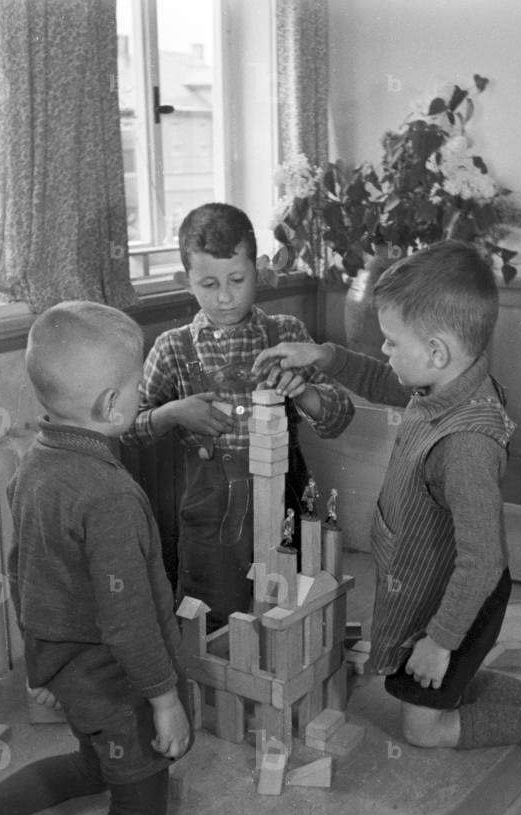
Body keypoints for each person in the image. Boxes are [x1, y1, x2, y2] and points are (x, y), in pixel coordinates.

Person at [253, 240, 521, 805]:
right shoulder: (445, 380)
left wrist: (442, 641)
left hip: (458, 595)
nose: (384, 350)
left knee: (422, 728)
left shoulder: (466, 444)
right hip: (430, 581)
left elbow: (485, 560)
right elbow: (382, 380)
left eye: (392, 342)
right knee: (445, 687)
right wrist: (323, 355)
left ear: (438, 352)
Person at [0, 301, 192, 815]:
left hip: (66, 666)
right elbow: (128, 619)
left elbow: (19, 557)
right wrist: (163, 698)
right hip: (111, 678)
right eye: (135, 385)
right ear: (112, 402)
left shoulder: (39, 457)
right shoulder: (111, 495)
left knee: (91, 760)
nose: (141, 395)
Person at [121, 202, 354, 630]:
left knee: (292, 604)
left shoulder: (285, 333)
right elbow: (128, 430)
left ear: (258, 272)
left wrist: (303, 392)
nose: (225, 296)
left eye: (237, 280)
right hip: (210, 513)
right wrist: (173, 412)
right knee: (210, 614)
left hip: (286, 500)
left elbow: (340, 415)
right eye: (209, 283)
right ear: (185, 281)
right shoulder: (173, 348)